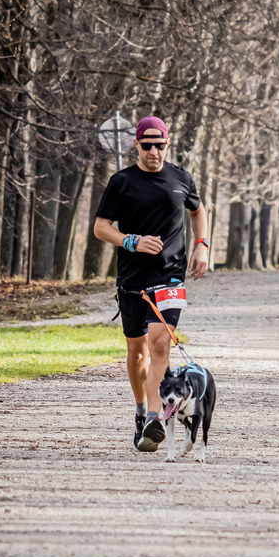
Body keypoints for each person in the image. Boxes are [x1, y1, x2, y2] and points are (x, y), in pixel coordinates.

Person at [93, 116, 209, 452]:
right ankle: (142, 411)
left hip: (170, 274)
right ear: (137, 145)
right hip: (132, 278)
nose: (154, 151)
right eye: (148, 145)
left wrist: (202, 243)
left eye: (160, 145)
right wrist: (131, 241)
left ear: (168, 144)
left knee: (160, 344)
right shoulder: (122, 181)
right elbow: (101, 227)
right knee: (136, 351)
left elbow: (199, 210)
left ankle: (156, 420)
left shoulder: (181, 177)